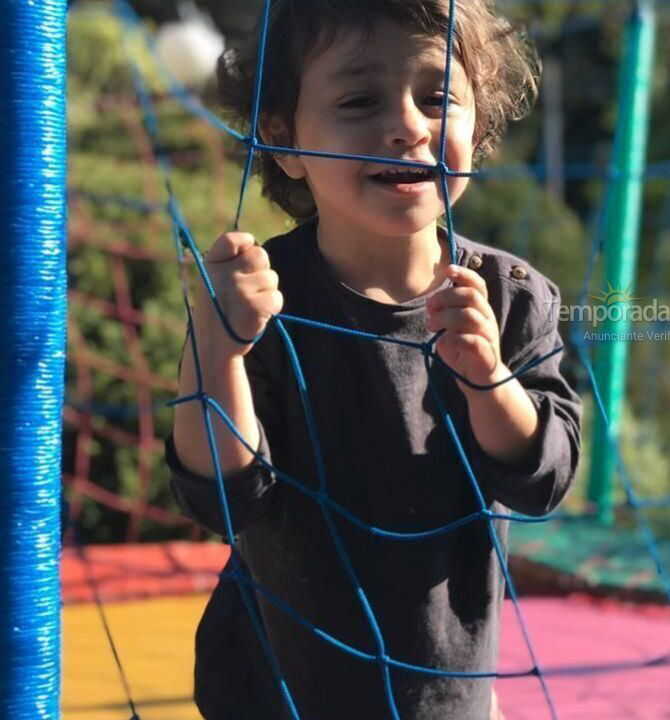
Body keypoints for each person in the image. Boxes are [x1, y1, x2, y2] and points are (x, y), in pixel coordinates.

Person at [165, 1, 581, 718]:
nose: (410, 126)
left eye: (437, 96)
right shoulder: (258, 296)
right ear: (285, 139)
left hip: (442, 691)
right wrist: (215, 347)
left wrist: (490, 381)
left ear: (478, 128)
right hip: (272, 692)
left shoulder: (513, 298)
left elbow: (547, 476)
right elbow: (220, 497)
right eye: (359, 99)